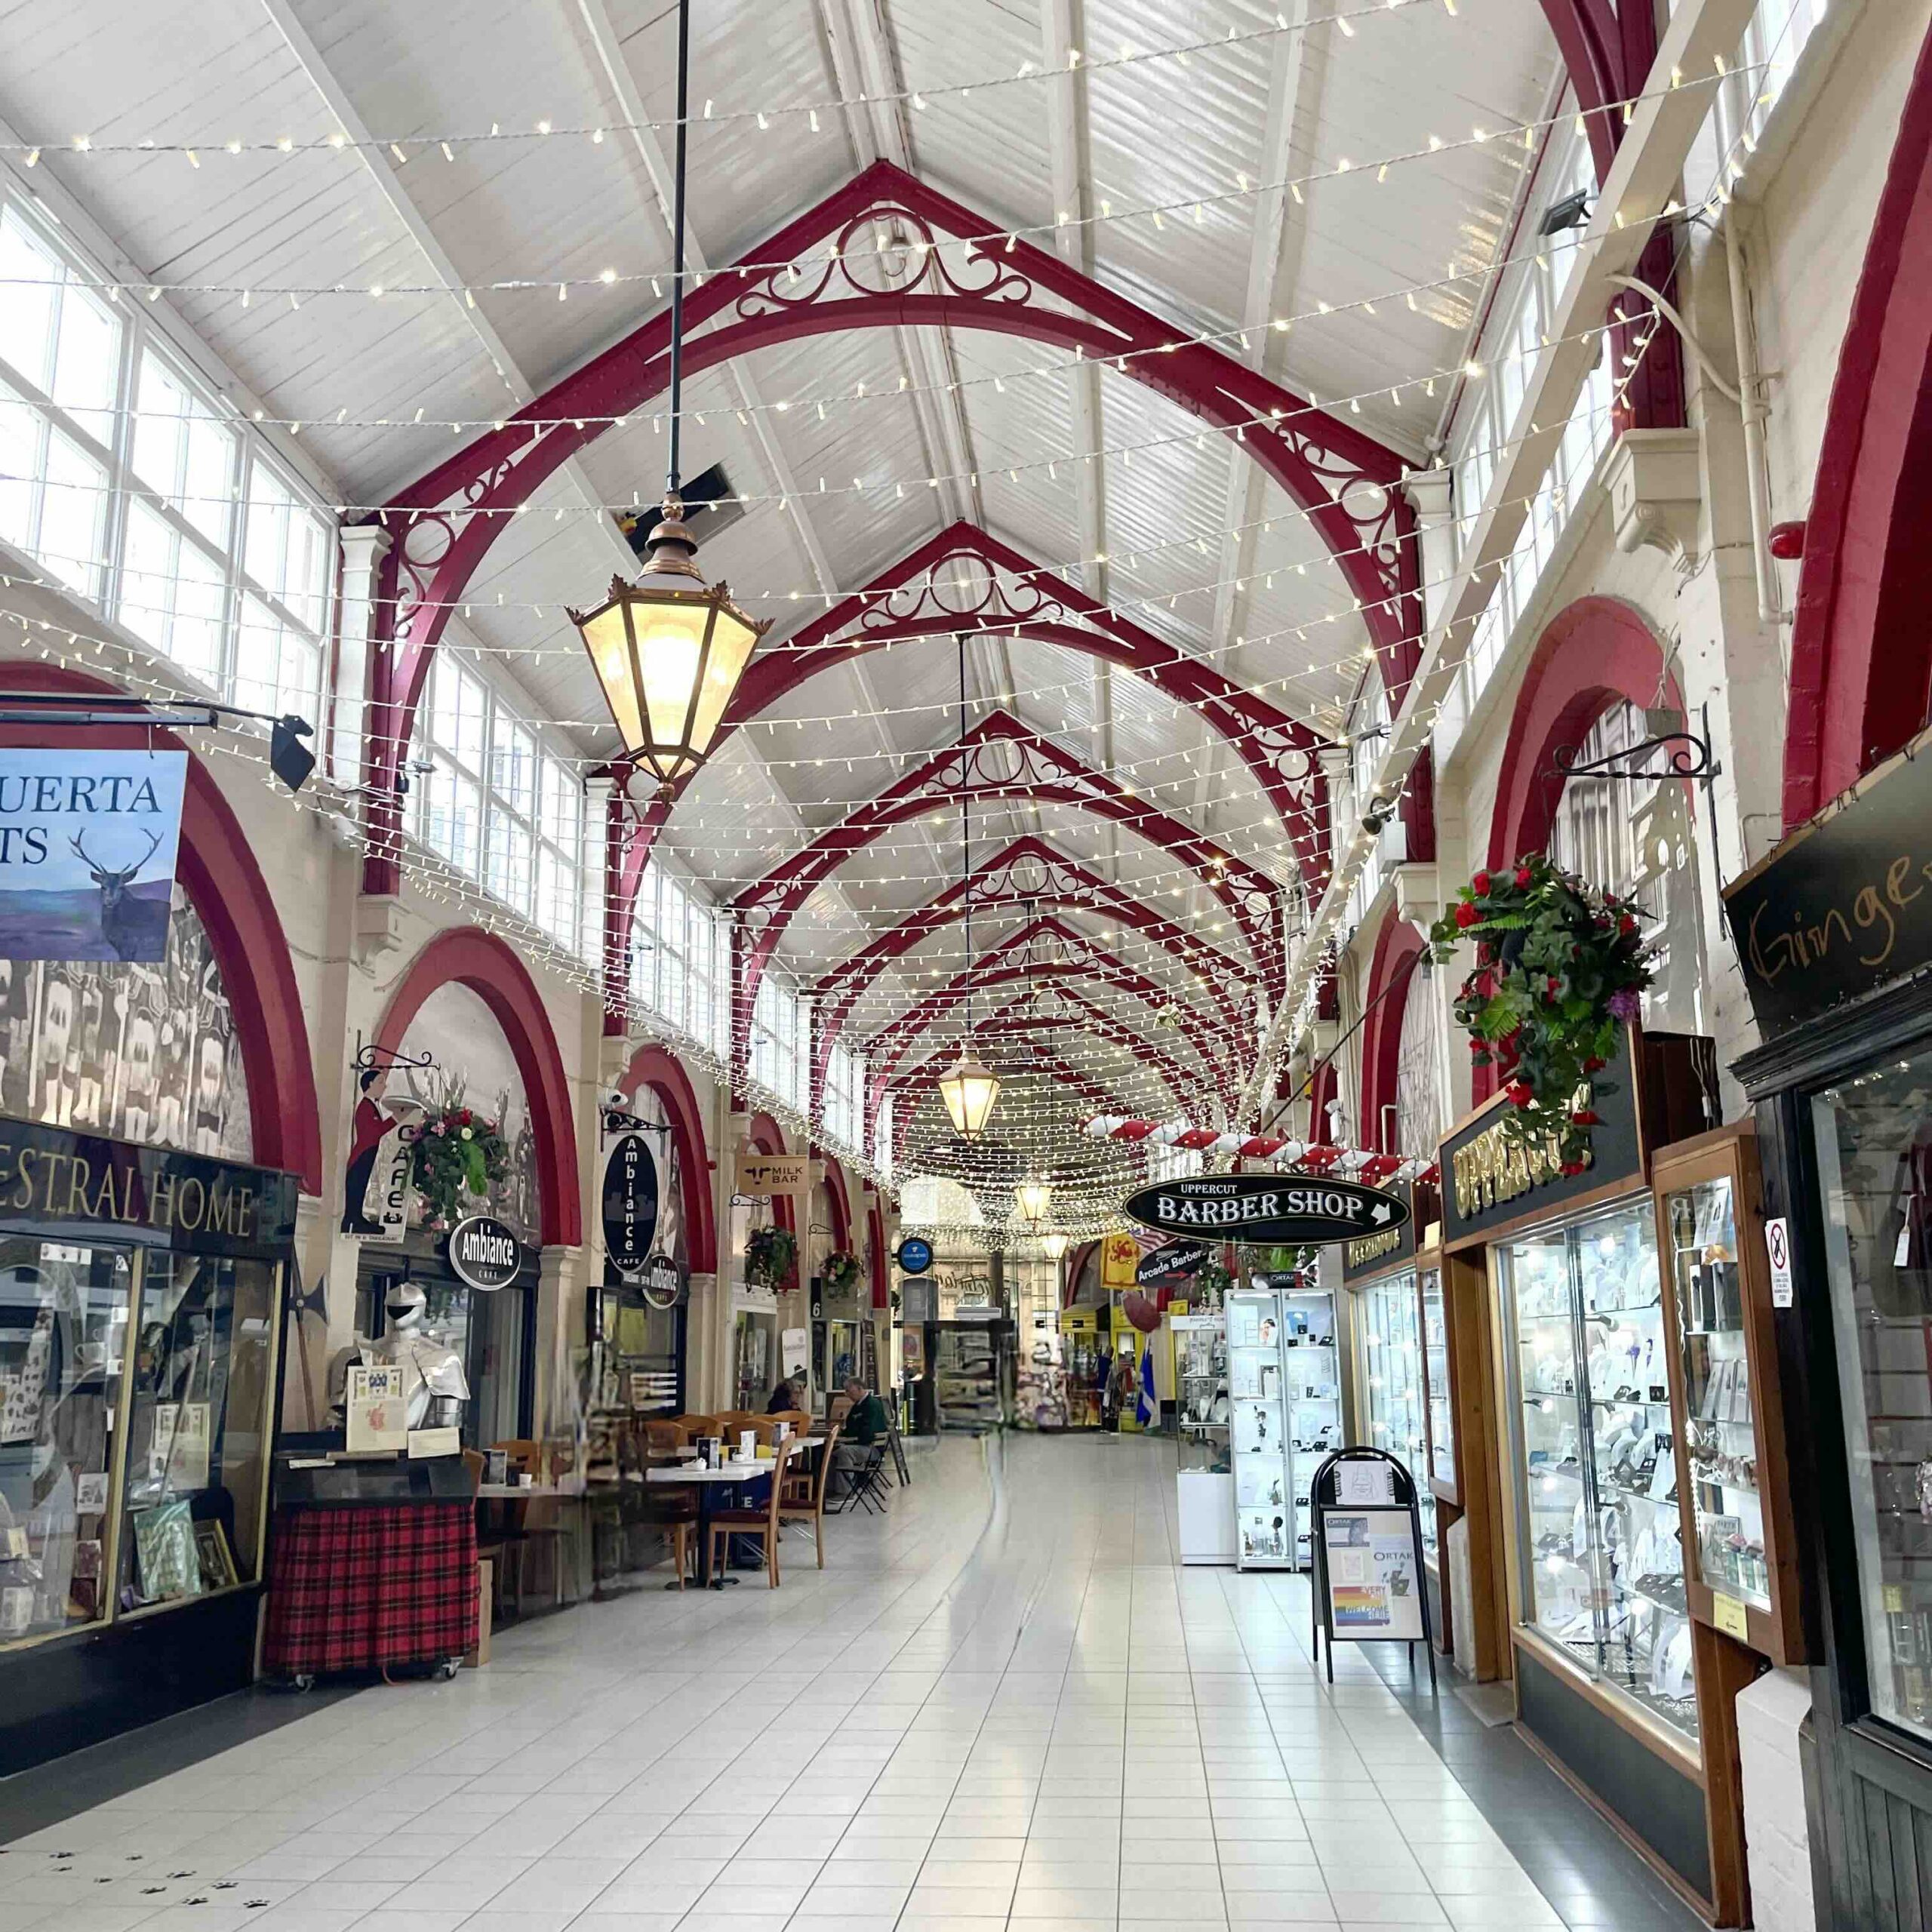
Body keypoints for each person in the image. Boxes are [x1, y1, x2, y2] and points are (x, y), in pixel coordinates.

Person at [830, 1377, 888, 1499]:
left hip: (872, 1448)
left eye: (850, 1391)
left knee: (845, 1452)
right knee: (830, 1451)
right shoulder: (857, 1406)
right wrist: (841, 1433)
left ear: (860, 1389)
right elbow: (851, 1427)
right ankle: (829, 1489)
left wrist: (849, 1440)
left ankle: (845, 1492)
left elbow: (868, 1433)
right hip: (861, 1443)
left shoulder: (872, 1405)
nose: (847, 1395)